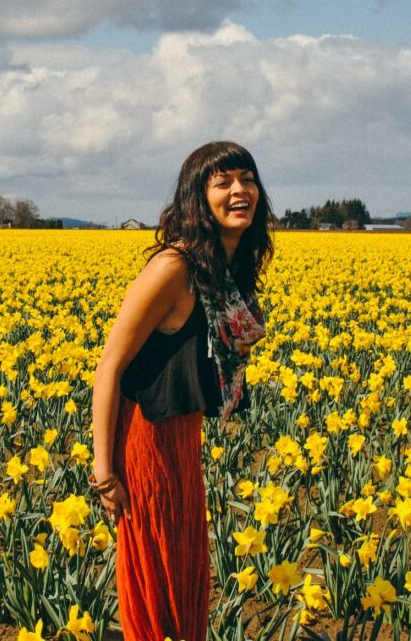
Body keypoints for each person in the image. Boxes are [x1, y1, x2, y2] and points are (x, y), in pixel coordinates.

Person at [90, 141, 275, 641]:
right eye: (223, 182)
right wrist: (104, 472)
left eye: (247, 178)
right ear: (199, 197)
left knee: (187, 563)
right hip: (146, 439)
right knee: (158, 566)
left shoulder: (225, 265)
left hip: (180, 437)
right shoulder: (174, 267)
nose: (240, 190)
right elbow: (108, 367)